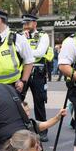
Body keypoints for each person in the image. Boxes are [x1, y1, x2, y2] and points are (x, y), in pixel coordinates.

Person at [21, 14, 52, 142]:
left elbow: (40, 53)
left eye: (28, 23)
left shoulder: (43, 36)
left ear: (35, 24)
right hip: (23, 72)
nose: (25, 26)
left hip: (38, 73)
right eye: (24, 24)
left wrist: (24, 49)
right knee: (19, 101)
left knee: (39, 102)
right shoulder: (20, 36)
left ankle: (42, 131)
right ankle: (20, 128)